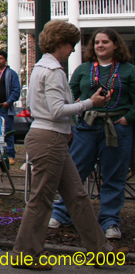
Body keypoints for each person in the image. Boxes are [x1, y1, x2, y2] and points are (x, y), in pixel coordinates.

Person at [12, 20, 120, 269]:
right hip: (49, 139)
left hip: (50, 138)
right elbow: (58, 110)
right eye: (71, 44)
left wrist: (81, 105)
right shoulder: (53, 71)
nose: (73, 49)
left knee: (78, 196)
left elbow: (49, 108)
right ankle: (25, 254)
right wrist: (90, 103)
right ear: (61, 43)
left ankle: (101, 250)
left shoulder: (41, 67)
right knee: (42, 199)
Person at [49, 28, 135, 241]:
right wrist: (76, 114)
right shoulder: (83, 69)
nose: (100, 46)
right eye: (96, 42)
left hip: (116, 128)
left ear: (115, 45)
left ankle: (110, 221)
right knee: (75, 173)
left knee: (114, 176)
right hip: (86, 128)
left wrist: (127, 118)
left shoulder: (128, 70)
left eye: (105, 42)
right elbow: (70, 94)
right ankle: (62, 213)